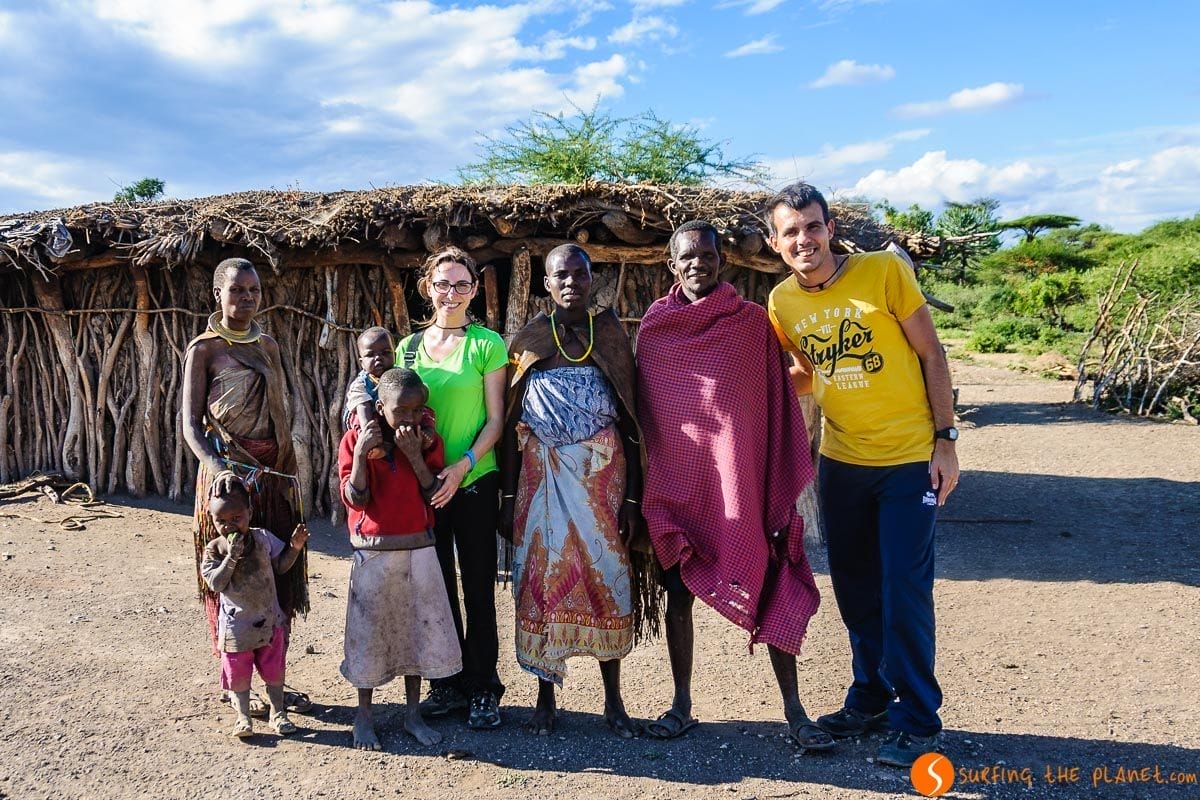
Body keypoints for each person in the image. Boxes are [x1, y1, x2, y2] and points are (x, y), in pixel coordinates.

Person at [765, 182, 960, 768]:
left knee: (903, 588)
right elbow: (806, 372)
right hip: (843, 462)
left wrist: (946, 441)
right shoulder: (782, 303)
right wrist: (750, 387)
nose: (806, 239)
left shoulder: (882, 273)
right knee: (853, 589)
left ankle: (919, 720)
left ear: (830, 229)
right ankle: (872, 695)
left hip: (907, 459)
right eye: (792, 231)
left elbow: (932, 354)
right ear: (775, 243)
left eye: (814, 225)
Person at [636, 221, 830, 751]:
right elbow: (649, 416)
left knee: (770, 586)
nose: (698, 263)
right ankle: (681, 703)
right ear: (671, 266)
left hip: (745, 486)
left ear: (722, 261)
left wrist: (776, 492)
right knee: (679, 596)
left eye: (708, 255)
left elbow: (772, 404)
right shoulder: (655, 330)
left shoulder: (750, 325)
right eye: (687, 257)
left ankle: (795, 711)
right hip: (680, 488)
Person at [500, 244, 649, 739]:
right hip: (540, 482)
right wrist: (506, 499)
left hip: (603, 486)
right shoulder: (529, 339)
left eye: (580, 274)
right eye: (560, 275)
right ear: (546, 283)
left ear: (592, 279)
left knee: (608, 580)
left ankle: (614, 700)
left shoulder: (608, 335)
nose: (571, 283)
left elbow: (631, 421)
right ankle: (545, 697)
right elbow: (508, 425)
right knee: (541, 581)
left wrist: (632, 500)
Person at [182, 257, 309, 714]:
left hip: (271, 473)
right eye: (237, 290)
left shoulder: (269, 346)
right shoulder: (204, 350)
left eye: (254, 290)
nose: (247, 298)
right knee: (227, 576)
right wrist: (219, 469)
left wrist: (282, 465)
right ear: (218, 294)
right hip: (226, 481)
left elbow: (282, 411)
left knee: (279, 573)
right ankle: (235, 681)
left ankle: (274, 677)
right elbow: (191, 428)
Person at [398, 247, 507, 729]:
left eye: (461, 284)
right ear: (428, 287)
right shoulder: (407, 349)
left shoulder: (487, 345)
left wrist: (462, 466)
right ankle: (447, 682)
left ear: (474, 290)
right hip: (424, 486)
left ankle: (484, 687)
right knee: (435, 587)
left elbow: (497, 421)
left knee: (479, 587)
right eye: (443, 283)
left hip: (474, 480)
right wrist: (425, 473)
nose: (451, 293)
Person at [338, 368, 461, 749]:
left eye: (415, 411)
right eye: (399, 411)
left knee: (417, 635)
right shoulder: (357, 440)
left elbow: (433, 496)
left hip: (419, 550)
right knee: (368, 636)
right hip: (373, 554)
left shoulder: (426, 443)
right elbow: (354, 497)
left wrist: (415, 456)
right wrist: (360, 454)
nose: (408, 419)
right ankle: (363, 716)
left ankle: (412, 714)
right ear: (379, 408)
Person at [200, 477, 309, 738]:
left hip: (268, 621)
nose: (229, 526)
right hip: (237, 627)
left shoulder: (262, 538)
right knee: (238, 675)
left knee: (274, 670)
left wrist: (294, 548)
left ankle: (278, 713)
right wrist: (231, 557)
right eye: (221, 521)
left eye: (236, 518)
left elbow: (281, 567)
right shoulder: (214, 550)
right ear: (212, 520)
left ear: (249, 512)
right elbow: (216, 584)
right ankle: (243, 717)